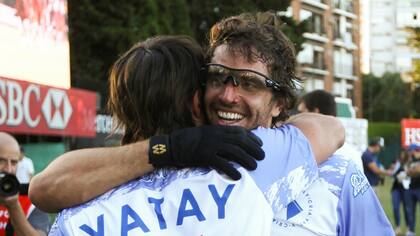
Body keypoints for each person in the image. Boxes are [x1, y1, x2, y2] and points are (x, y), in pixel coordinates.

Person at [40, 12, 392, 235]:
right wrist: (169, 149)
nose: (227, 95)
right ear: (196, 98)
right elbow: (331, 127)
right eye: (218, 77)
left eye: (249, 83)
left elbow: (44, 188)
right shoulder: (260, 167)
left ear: (280, 103)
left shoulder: (335, 172)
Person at [297, 89, 364, 170]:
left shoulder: (303, 154)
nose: (297, 118)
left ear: (315, 113)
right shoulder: (352, 154)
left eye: (301, 113)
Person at [0, 132, 50, 236]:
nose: (9, 169)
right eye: (1, 161)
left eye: (14, 163)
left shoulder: (31, 202)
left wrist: (13, 206)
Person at [390, 150, 410, 235]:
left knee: (407, 208)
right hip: (395, 189)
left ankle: (409, 227)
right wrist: (395, 170)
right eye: (401, 155)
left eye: (403, 155)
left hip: (406, 189)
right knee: (395, 208)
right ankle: (397, 227)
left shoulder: (409, 164)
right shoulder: (396, 163)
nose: (402, 156)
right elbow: (392, 174)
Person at [404, 143, 420, 236]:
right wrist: (412, 171)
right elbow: (407, 171)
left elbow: (417, 170)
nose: (408, 152)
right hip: (411, 188)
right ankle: (411, 231)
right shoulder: (410, 160)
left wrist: (411, 171)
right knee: (410, 211)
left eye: (409, 150)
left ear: (414, 150)